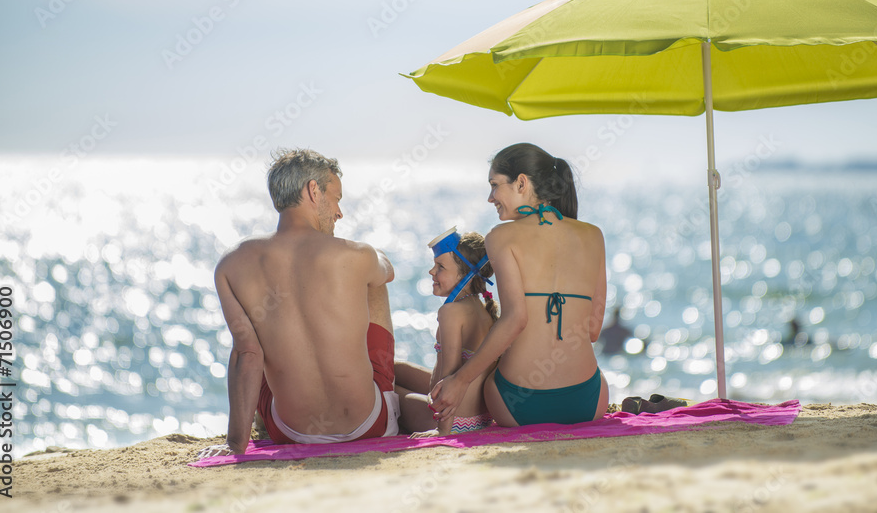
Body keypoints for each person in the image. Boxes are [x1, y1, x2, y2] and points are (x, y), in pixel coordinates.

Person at [198, 149, 400, 458]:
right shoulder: (358, 255)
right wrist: (377, 256)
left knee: (251, 343)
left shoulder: (230, 264)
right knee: (375, 283)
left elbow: (247, 357)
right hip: (368, 423)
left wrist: (235, 447)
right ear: (313, 190)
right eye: (336, 198)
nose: (339, 212)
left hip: (290, 430)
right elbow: (389, 272)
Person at [429, 143, 610, 427]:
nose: (491, 198)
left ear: (522, 182)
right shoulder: (594, 235)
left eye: (494, 185)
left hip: (519, 405)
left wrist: (460, 380)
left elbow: (516, 319)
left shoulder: (501, 237)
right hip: (588, 399)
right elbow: (594, 329)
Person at [398, 228, 499, 436]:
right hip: (479, 418)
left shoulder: (451, 312)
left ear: (466, 275)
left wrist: (440, 432)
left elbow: (449, 378)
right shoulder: (483, 309)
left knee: (387, 391)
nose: (431, 272)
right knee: (394, 369)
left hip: (453, 421)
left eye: (440, 267)